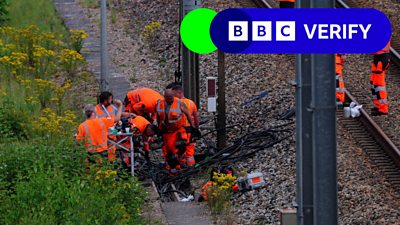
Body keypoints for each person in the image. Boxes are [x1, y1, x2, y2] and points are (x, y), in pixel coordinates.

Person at [156, 89, 195, 174]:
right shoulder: (159, 103)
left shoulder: (179, 103)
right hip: (166, 131)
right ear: (164, 97)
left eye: (171, 97)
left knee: (180, 147)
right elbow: (158, 116)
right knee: (169, 150)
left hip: (178, 130)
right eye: (168, 97)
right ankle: (172, 166)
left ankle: (182, 165)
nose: (170, 99)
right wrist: (159, 127)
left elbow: (188, 114)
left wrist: (192, 127)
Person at [172, 84, 200, 166]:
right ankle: (191, 167)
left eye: (174, 94)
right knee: (190, 150)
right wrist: (196, 129)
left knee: (181, 150)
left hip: (181, 131)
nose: (173, 96)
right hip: (190, 131)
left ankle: (182, 167)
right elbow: (196, 117)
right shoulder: (191, 103)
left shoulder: (176, 103)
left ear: (180, 93)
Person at [370, 40, 390, 116]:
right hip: (379, 58)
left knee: (379, 85)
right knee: (373, 82)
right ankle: (379, 105)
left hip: (381, 58)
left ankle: (383, 109)